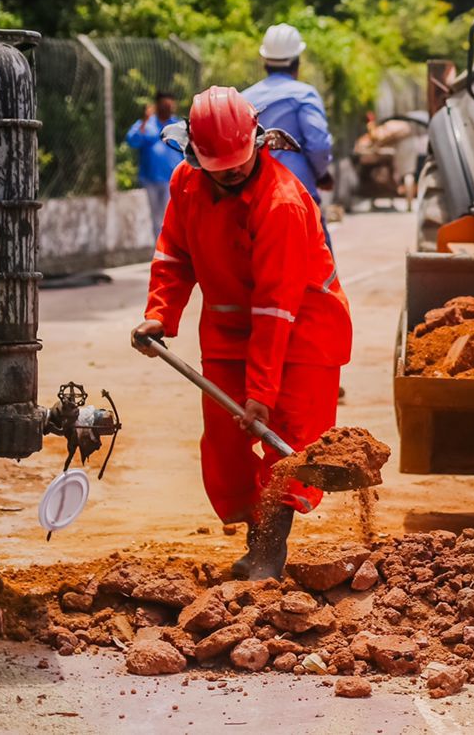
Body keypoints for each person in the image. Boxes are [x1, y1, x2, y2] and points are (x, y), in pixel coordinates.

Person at [129, 86, 352, 578]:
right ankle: (255, 539)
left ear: (259, 143)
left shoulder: (281, 204)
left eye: (239, 161)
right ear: (193, 154)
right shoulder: (186, 183)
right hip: (231, 332)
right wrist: (160, 314)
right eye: (219, 164)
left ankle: (268, 552)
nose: (231, 171)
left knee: (285, 446)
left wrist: (262, 393)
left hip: (303, 333)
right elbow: (174, 254)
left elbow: (276, 309)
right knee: (224, 444)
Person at [242, 24, 334, 205]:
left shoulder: (245, 98)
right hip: (298, 193)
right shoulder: (304, 95)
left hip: (254, 195)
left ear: (265, 62)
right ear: (296, 62)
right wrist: (322, 175)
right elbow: (319, 146)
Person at [124, 91, 184, 238]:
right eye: (164, 105)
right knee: (156, 216)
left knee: (170, 214)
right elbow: (132, 141)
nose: (168, 108)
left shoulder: (177, 125)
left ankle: (172, 245)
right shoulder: (147, 124)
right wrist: (144, 120)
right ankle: (160, 247)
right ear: (157, 106)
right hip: (150, 178)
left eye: (170, 105)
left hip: (172, 178)